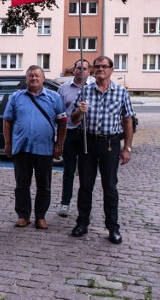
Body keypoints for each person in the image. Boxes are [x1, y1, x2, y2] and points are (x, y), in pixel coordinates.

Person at [70, 55, 135, 244]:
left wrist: (127, 148)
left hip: (110, 144)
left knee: (110, 187)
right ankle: (82, 223)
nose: (100, 69)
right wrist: (78, 112)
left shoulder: (121, 93)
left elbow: (128, 121)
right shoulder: (84, 91)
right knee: (85, 186)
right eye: (97, 66)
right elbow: (73, 120)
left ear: (111, 69)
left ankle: (113, 227)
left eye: (104, 66)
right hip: (87, 142)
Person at [3, 65, 67, 230]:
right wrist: (8, 144)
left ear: (43, 78)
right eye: (31, 76)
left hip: (45, 149)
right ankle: (23, 215)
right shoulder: (16, 97)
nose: (34, 78)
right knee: (21, 185)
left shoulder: (54, 97)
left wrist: (59, 144)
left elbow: (62, 123)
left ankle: (41, 216)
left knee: (44, 185)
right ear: (26, 79)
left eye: (37, 76)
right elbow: (7, 121)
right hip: (22, 148)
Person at [56, 59, 91, 217]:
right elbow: (57, 112)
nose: (81, 71)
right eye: (78, 68)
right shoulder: (63, 88)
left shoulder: (93, 88)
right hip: (69, 132)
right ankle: (65, 202)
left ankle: (84, 206)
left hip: (87, 134)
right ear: (74, 70)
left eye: (84, 68)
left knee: (85, 172)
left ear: (89, 71)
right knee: (68, 171)